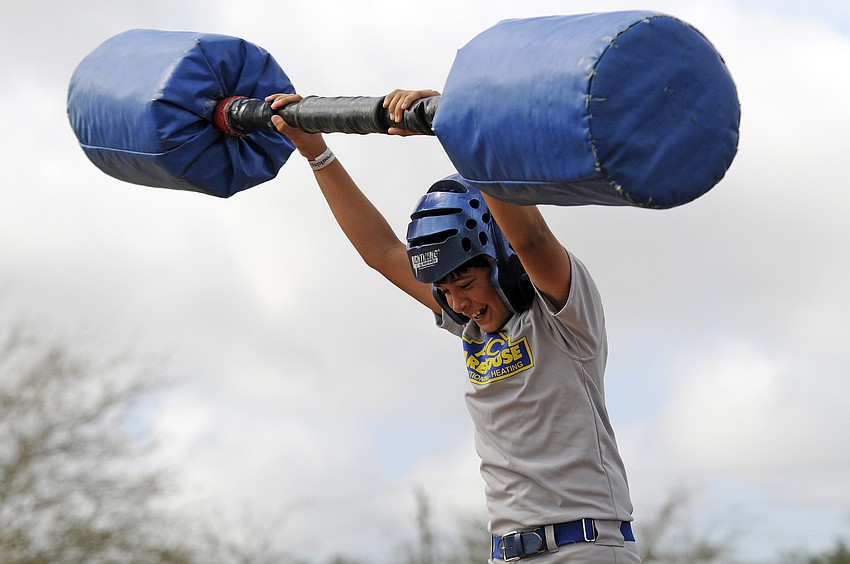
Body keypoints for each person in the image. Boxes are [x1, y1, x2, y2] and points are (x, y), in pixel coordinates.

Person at [265, 89, 641, 563]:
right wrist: (315, 151)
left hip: (584, 548)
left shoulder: (565, 317)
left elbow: (529, 235)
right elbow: (381, 253)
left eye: (465, 281)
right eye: (444, 290)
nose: (458, 302)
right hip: (506, 552)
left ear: (501, 262)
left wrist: (460, 127)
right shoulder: (469, 325)